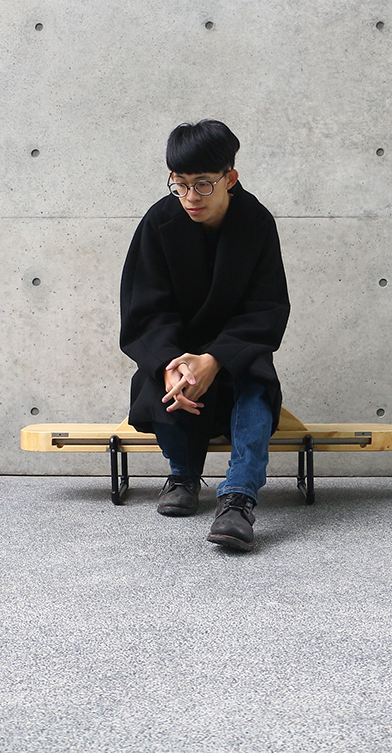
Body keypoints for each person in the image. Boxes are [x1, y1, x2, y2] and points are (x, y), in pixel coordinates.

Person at [119, 120, 290, 552]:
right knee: (159, 381)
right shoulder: (160, 221)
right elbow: (145, 307)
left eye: (203, 184)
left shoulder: (256, 222)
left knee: (256, 381)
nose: (190, 197)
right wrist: (170, 362)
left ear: (230, 178)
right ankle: (182, 475)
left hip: (236, 355)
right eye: (179, 184)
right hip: (177, 354)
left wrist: (215, 359)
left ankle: (238, 499)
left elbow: (266, 308)